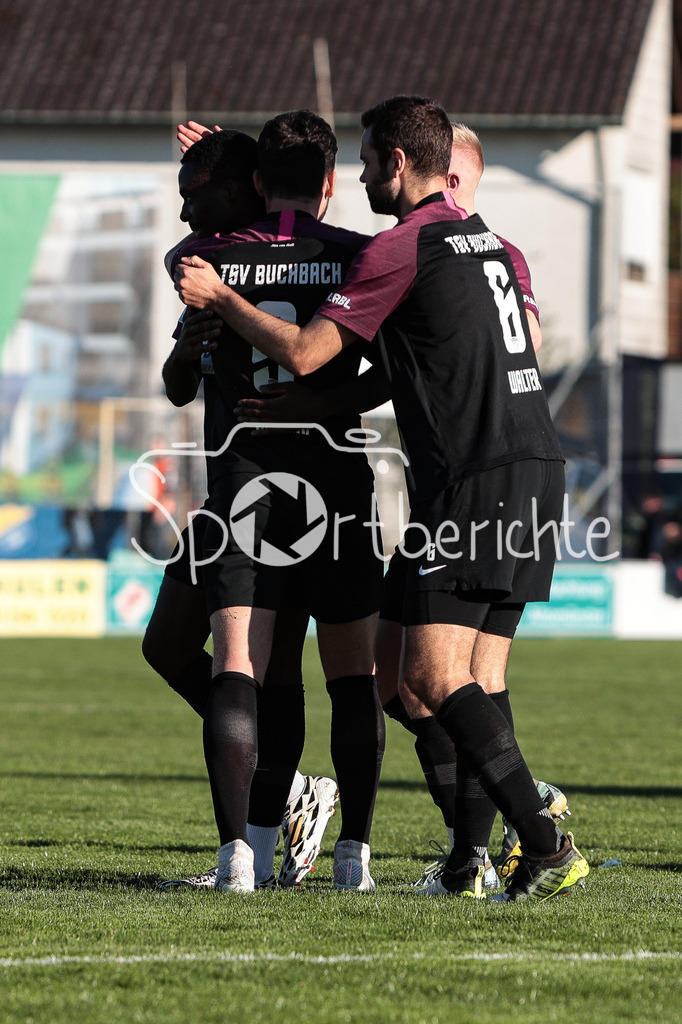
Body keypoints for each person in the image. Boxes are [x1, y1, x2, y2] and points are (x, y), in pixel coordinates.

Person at [174, 94, 590, 903]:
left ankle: (541, 837)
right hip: (534, 465)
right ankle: (469, 864)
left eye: (366, 161)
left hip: (472, 479)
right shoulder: (491, 246)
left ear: (398, 162)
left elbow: (301, 349)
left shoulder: (402, 247)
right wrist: (310, 409)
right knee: (443, 677)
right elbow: (400, 370)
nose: (359, 175)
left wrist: (222, 300)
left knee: (428, 678)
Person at [170, 110, 386, 894]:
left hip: (247, 480)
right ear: (332, 183)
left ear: (254, 182)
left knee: (241, 666)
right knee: (350, 677)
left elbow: (204, 254)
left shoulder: (202, 257)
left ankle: (239, 861)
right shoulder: (366, 258)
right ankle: (354, 860)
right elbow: (394, 371)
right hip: (338, 481)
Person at [143, 129, 339, 890]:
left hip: (294, 492)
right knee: (166, 648)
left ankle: (260, 836)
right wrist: (186, 353)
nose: (186, 206)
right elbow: (177, 385)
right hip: (230, 487)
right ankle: (294, 794)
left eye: (199, 190)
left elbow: (295, 168)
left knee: (269, 669)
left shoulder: (219, 262)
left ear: (250, 185)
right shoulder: (210, 262)